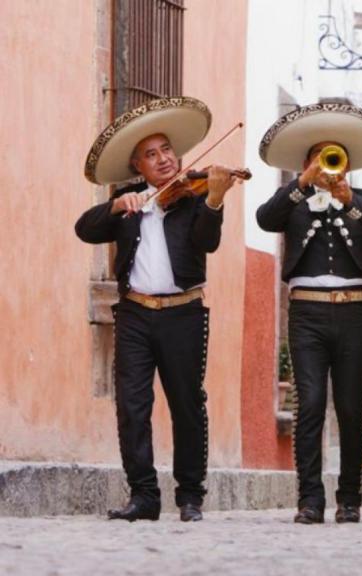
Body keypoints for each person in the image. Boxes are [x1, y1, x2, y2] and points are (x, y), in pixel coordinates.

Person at [76, 96, 244, 522]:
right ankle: (144, 496)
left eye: (166, 149)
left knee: (187, 403)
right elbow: (84, 228)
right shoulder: (128, 201)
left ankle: (190, 496)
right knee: (132, 405)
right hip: (133, 313)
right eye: (151, 155)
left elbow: (207, 243)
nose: (164, 159)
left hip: (183, 313)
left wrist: (216, 200)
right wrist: (116, 205)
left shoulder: (193, 199)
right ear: (139, 167)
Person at [256, 103, 362, 525]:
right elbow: (265, 219)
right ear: (306, 163)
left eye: (333, 157)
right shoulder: (294, 201)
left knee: (352, 409)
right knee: (311, 404)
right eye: (319, 158)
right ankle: (309, 499)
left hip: (354, 313)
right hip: (307, 314)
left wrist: (349, 198)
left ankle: (350, 498)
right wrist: (302, 183)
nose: (327, 165)